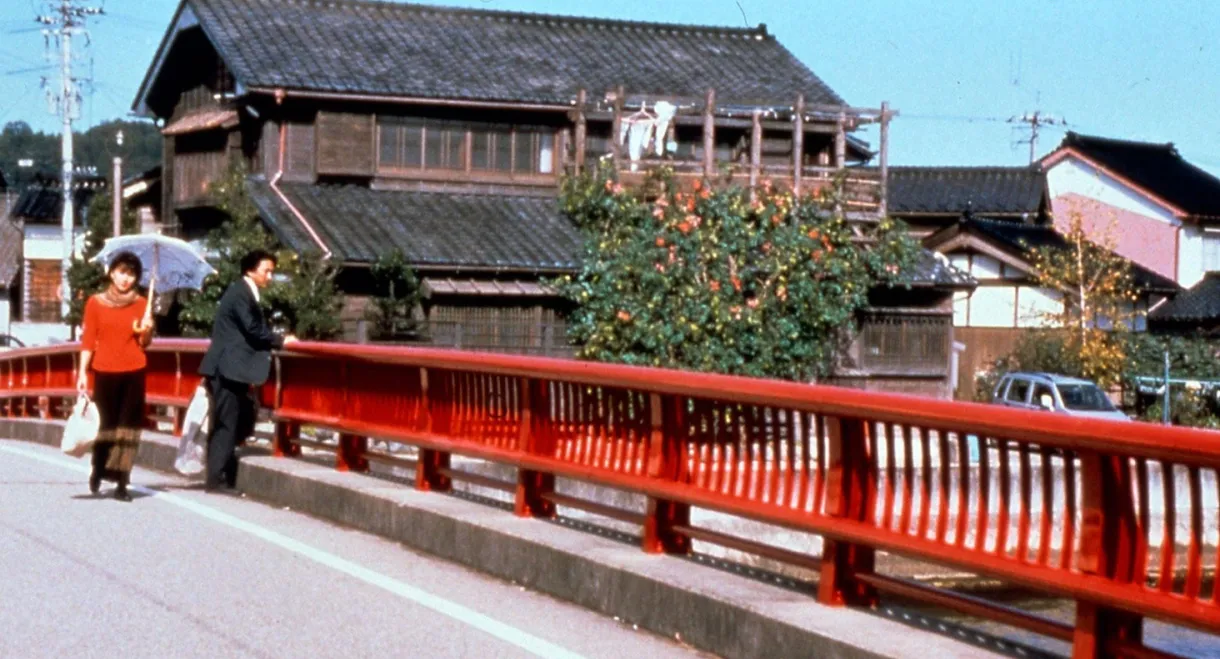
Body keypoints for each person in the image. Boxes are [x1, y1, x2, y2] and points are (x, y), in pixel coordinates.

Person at [199, 249, 297, 491]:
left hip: (230, 367)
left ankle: (222, 474)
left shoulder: (241, 291)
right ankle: (216, 478)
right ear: (250, 270)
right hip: (227, 368)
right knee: (227, 423)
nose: (270, 277)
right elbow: (252, 328)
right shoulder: (241, 293)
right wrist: (281, 340)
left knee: (232, 421)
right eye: (267, 271)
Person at [78, 251, 155, 502]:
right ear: (111, 272)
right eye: (122, 272)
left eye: (131, 274)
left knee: (128, 428)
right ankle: (98, 469)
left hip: (134, 370)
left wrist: (147, 329)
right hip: (104, 370)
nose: (126, 279)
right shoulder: (95, 302)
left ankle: (122, 481)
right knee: (105, 425)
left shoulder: (142, 304)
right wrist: (82, 371)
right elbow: (88, 340)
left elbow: (145, 343)